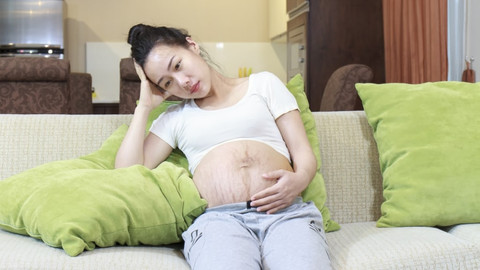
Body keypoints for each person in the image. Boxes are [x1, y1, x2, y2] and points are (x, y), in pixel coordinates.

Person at [116, 23, 331, 270]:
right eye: (167, 83)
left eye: (177, 65)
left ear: (192, 46)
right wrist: (143, 107)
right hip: (220, 222)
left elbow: (302, 151)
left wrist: (300, 179)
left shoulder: (264, 85)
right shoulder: (175, 118)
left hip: (285, 214)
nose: (182, 82)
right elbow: (126, 171)